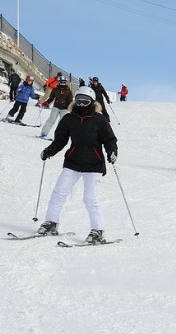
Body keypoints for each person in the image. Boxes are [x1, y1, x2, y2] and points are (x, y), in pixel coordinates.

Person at [37, 86, 118, 243]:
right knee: (59, 192)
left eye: (85, 101)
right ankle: (51, 222)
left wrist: (112, 152)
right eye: (79, 101)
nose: (81, 104)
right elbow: (60, 140)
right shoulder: (69, 118)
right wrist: (49, 151)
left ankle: (97, 230)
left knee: (90, 198)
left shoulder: (99, 119)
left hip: (94, 165)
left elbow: (110, 139)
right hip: (72, 162)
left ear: (92, 102)